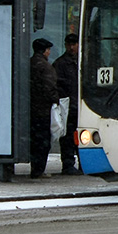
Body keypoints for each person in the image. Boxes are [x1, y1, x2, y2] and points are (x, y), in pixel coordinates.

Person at [53, 33, 82, 176]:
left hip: (80, 105)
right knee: (68, 137)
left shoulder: (83, 60)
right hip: (69, 106)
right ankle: (68, 163)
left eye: (74, 44)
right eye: (69, 45)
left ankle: (82, 162)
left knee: (81, 136)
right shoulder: (61, 64)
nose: (71, 47)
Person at [29, 37, 58, 179]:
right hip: (43, 110)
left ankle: (35, 167)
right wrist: (56, 100)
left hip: (30, 109)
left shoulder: (29, 63)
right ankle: (38, 169)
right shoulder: (46, 67)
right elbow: (50, 88)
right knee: (43, 141)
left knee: (34, 140)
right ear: (45, 51)